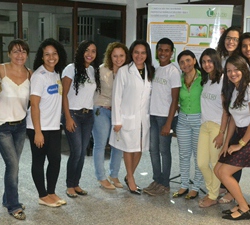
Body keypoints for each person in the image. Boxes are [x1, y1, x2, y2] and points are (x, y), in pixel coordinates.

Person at [109, 40, 155, 195]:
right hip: (127, 117)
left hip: (143, 118)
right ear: (131, 53)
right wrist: (117, 121)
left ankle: (129, 176)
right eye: (136, 52)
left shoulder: (150, 71)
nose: (139, 56)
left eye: (143, 53)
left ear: (147, 54)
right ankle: (131, 177)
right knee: (128, 148)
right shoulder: (124, 71)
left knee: (140, 148)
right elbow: (116, 97)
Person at [26, 38, 67, 208]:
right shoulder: (38, 76)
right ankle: (42, 195)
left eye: (54, 53)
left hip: (54, 126)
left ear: (59, 54)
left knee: (55, 160)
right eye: (47, 54)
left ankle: (51, 192)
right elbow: (34, 105)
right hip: (39, 127)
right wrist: (37, 132)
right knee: (39, 161)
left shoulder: (56, 73)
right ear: (42, 57)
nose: (51, 57)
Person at [62, 40, 100, 198]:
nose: (90, 54)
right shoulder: (71, 69)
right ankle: (69, 185)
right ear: (81, 52)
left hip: (88, 116)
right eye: (87, 50)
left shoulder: (92, 70)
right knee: (76, 151)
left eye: (93, 51)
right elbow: (63, 95)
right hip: (73, 115)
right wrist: (68, 117)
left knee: (82, 152)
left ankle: (76, 183)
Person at [143, 38, 181, 196]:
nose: (163, 53)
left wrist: (169, 124)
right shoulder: (155, 69)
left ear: (172, 53)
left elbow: (175, 100)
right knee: (153, 150)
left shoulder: (174, 71)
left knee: (164, 151)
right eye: (160, 50)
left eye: (167, 50)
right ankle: (157, 180)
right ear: (157, 51)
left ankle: (165, 184)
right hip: (153, 115)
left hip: (165, 118)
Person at [214, 55, 250, 220]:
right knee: (218, 170)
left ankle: (244, 208)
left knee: (225, 172)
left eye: (236, 69)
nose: (232, 73)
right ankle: (242, 203)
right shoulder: (233, 90)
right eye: (229, 70)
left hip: (248, 137)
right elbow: (233, 120)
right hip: (239, 134)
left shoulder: (249, 88)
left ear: (244, 69)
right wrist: (227, 143)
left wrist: (241, 144)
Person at [0, 39, 31, 220]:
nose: (20, 55)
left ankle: (7, 198)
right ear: (9, 54)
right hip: (2, 126)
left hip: (20, 126)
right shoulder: (2, 70)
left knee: (14, 165)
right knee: (13, 165)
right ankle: (13, 205)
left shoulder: (30, 74)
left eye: (23, 52)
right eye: (16, 52)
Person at [92, 42, 129, 189]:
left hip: (119, 112)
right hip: (101, 109)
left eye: (121, 55)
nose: (118, 59)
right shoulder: (102, 70)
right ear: (110, 56)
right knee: (100, 144)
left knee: (118, 145)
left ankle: (113, 174)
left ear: (126, 56)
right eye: (115, 56)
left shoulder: (128, 72)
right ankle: (101, 177)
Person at [197, 48, 228, 208]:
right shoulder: (207, 80)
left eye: (209, 61)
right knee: (202, 163)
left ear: (216, 62)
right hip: (205, 125)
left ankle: (213, 194)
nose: (206, 64)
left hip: (217, 126)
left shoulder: (223, 80)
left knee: (215, 163)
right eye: (203, 61)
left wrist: (222, 133)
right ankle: (213, 190)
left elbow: (225, 110)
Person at [172, 50, 203, 199]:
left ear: (195, 60)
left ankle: (196, 187)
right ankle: (184, 185)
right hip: (183, 120)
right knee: (184, 155)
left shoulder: (204, 78)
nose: (186, 64)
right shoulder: (178, 79)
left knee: (198, 156)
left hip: (199, 120)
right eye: (182, 62)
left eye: (188, 60)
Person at [216, 26, 242, 204]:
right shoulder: (221, 58)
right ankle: (227, 186)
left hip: (239, 115)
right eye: (228, 38)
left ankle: (233, 193)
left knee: (235, 154)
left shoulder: (240, 61)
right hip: (229, 108)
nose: (230, 41)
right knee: (228, 150)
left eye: (234, 39)